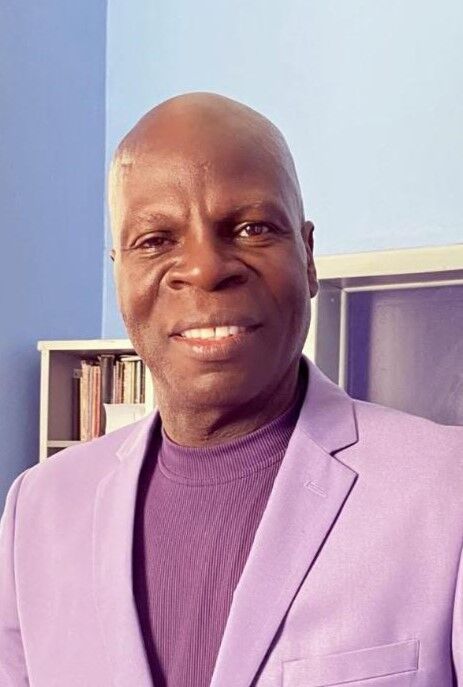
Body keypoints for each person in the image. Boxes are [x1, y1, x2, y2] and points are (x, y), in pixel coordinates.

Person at [1, 92, 463, 687]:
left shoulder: (448, 489)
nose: (205, 268)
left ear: (308, 257)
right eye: (155, 240)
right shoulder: (37, 510)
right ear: (119, 271)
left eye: (251, 228)